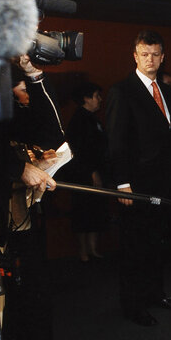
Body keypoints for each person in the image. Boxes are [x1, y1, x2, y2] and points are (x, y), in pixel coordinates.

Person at [3, 55, 88, 340]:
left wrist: (35, 75)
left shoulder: (22, 110)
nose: (26, 95)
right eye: (21, 89)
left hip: (23, 220)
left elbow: (54, 130)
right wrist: (18, 168)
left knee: (36, 295)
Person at [105, 30, 171, 327]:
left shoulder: (166, 91)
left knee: (157, 243)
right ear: (135, 56)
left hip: (162, 184)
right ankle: (133, 304)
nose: (150, 59)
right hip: (135, 186)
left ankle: (155, 294)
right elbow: (115, 141)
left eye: (155, 54)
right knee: (134, 247)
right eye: (144, 54)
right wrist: (122, 182)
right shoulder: (121, 91)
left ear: (162, 57)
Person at [65, 82, 108, 263]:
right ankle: (83, 250)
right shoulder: (79, 120)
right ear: (86, 98)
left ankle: (93, 249)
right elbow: (80, 150)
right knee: (83, 212)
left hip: (95, 171)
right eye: (96, 96)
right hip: (83, 175)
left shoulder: (94, 119)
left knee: (95, 211)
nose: (100, 100)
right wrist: (92, 172)